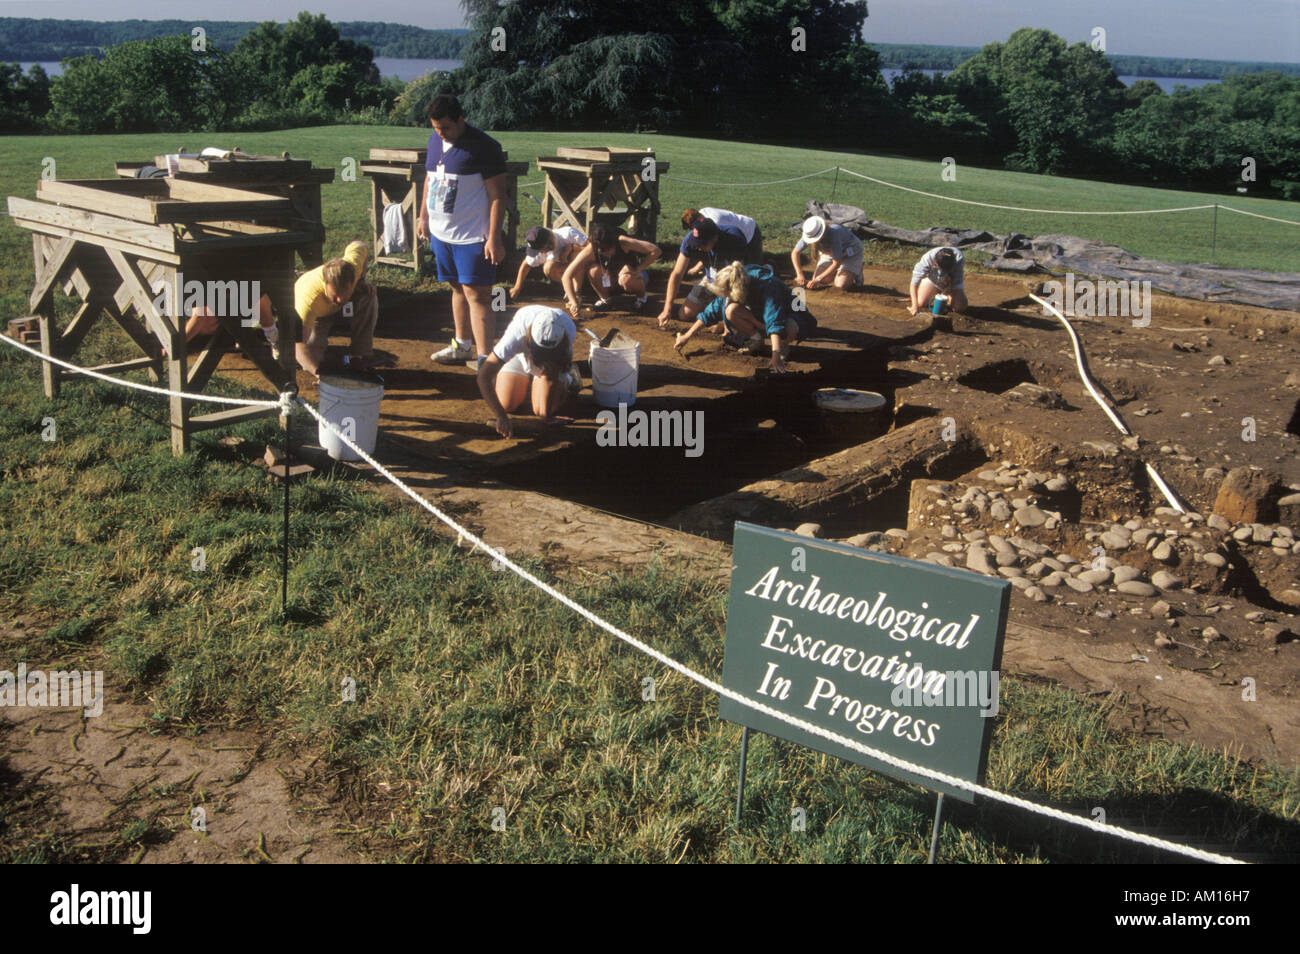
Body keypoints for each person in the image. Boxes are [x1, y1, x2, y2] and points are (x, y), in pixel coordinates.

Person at [418, 94, 508, 369]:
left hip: (472, 237)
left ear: (460, 119)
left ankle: (485, 359)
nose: (440, 133)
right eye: (436, 128)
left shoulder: (485, 147)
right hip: (442, 235)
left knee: (478, 295)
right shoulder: (436, 140)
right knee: (457, 287)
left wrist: (494, 237)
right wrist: (423, 217)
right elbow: (429, 179)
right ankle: (461, 347)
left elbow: (498, 196)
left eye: (445, 127)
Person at [673, 261, 816, 374]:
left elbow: (775, 318)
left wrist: (775, 354)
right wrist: (687, 336)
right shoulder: (734, 280)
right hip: (763, 316)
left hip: (794, 316)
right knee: (730, 310)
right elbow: (711, 311)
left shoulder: (767, 285)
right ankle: (756, 339)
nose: (725, 297)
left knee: (789, 327)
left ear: (734, 290)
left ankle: (782, 346)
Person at [478, 306, 579, 438]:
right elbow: (483, 377)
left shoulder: (567, 331)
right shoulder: (515, 336)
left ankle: (570, 378)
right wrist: (501, 416)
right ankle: (523, 379)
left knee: (541, 410)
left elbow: (551, 375)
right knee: (506, 405)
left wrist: (546, 417)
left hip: (549, 362)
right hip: (520, 354)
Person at [657, 207, 763, 329]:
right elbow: (677, 273)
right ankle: (718, 312)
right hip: (714, 277)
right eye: (696, 244)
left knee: (731, 319)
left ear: (714, 238)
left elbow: (736, 279)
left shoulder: (734, 239)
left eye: (702, 244)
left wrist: (725, 321)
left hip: (734, 276)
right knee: (685, 314)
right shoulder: (690, 241)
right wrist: (667, 309)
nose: (698, 248)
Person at [294, 240, 378, 377]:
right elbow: (298, 344)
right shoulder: (308, 300)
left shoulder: (354, 267)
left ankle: (359, 355)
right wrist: (317, 373)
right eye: (335, 295)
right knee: (310, 356)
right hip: (318, 316)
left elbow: (360, 245)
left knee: (369, 296)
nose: (340, 300)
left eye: (345, 293)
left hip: (335, 308)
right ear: (325, 284)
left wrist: (362, 280)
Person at [561, 223, 660, 316]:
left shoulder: (623, 241)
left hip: (632, 278)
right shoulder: (591, 249)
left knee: (626, 276)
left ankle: (641, 298)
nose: (604, 252)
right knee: (593, 270)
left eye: (607, 249)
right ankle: (606, 300)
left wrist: (638, 269)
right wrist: (573, 301)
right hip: (610, 279)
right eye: (601, 250)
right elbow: (567, 276)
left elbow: (655, 250)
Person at [509, 225, 587, 300]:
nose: (541, 252)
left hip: (587, 269)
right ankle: (570, 288)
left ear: (549, 242)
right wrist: (517, 288)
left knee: (573, 254)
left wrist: (573, 248)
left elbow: (592, 248)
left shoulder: (568, 234)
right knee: (548, 267)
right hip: (570, 273)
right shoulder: (540, 250)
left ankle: (577, 292)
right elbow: (526, 264)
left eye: (541, 249)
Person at [791, 215, 863, 290]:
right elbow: (795, 253)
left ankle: (856, 270)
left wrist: (818, 279)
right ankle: (840, 272)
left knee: (840, 285)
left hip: (850, 251)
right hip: (830, 252)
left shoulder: (834, 235)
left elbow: (836, 262)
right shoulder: (810, 232)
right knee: (821, 279)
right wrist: (799, 274)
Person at [908, 246, 968, 316]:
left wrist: (946, 293)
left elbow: (955, 280)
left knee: (959, 308)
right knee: (921, 303)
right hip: (933, 279)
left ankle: (950, 297)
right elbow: (914, 283)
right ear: (935, 263)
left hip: (952, 279)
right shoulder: (927, 258)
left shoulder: (959, 259)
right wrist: (914, 306)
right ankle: (927, 287)